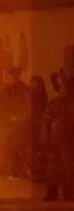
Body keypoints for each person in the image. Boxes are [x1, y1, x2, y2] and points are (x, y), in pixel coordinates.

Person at [41, 72, 73, 201]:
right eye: (61, 86)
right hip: (55, 139)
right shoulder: (55, 101)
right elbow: (46, 119)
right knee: (52, 167)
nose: (61, 89)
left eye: (64, 86)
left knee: (68, 167)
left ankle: (69, 192)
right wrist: (44, 134)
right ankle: (51, 191)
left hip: (69, 140)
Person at [30, 75, 48, 181]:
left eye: (37, 83)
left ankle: (39, 173)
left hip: (38, 127)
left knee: (38, 150)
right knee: (33, 150)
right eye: (33, 83)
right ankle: (35, 172)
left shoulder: (41, 97)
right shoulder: (29, 96)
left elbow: (41, 112)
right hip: (31, 127)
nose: (34, 85)